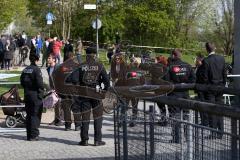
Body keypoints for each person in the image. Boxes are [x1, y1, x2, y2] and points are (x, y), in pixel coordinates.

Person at [67, 47, 110, 146]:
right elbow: (107, 81)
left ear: (86, 55)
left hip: (84, 93)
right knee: (97, 117)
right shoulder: (99, 65)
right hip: (96, 93)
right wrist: (104, 91)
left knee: (85, 117)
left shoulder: (80, 66)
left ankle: (84, 140)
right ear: (94, 55)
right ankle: (97, 140)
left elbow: (72, 79)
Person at [168, 49, 195, 143]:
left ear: (173, 55)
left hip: (174, 94)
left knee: (175, 116)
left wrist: (176, 84)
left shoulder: (170, 66)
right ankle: (188, 137)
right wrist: (185, 84)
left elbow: (166, 82)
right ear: (180, 55)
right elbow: (193, 80)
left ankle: (177, 138)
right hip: (185, 94)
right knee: (186, 116)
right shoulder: (187, 65)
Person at [202, 42, 226, 138]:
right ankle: (220, 132)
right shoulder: (221, 58)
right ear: (214, 48)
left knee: (212, 110)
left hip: (211, 88)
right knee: (219, 109)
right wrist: (223, 84)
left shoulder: (206, 60)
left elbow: (205, 77)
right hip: (220, 87)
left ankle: (213, 132)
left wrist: (207, 86)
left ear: (207, 49)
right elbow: (224, 74)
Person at [20, 54, 44, 141]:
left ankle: (29, 134)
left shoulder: (25, 69)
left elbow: (22, 82)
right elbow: (40, 84)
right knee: (35, 115)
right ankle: (34, 135)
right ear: (37, 60)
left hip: (27, 94)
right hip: (35, 95)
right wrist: (42, 91)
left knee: (29, 115)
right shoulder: (36, 70)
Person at [47, 54, 64, 126]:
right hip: (53, 88)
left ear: (54, 59)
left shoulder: (58, 67)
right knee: (55, 104)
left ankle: (61, 120)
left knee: (60, 104)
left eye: (49, 58)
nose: (48, 59)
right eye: (48, 58)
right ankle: (56, 119)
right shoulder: (48, 68)